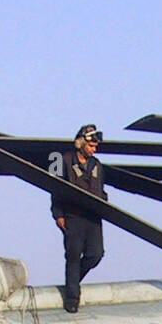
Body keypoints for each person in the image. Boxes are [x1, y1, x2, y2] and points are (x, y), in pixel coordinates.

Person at [51, 124, 107, 313]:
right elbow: (55, 188)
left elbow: (101, 190)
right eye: (91, 145)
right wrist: (58, 214)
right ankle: (72, 297)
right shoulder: (64, 160)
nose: (94, 149)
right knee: (73, 256)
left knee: (96, 254)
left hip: (93, 217)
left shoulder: (97, 165)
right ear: (82, 143)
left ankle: (71, 282)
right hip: (73, 216)